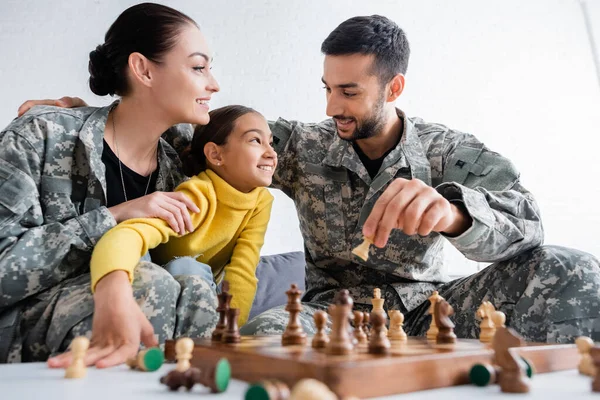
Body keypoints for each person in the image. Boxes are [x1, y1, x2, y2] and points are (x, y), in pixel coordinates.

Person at [19, 15, 600, 344]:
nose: (331, 107)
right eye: (326, 88)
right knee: (266, 340)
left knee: (569, 270)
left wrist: (457, 213)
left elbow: (528, 222)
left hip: (428, 305)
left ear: (393, 89)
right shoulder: (298, 145)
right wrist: (82, 116)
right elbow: (208, 139)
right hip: (327, 308)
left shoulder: (451, 151)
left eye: (348, 92)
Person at [0, 3, 221, 366]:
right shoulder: (41, 134)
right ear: (143, 69)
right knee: (150, 283)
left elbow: (254, 142)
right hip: (22, 327)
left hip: (134, 322)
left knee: (194, 283)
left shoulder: (183, 156)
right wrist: (113, 216)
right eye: (198, 67)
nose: (214, 83)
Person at [90, 105, 276, 328]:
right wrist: (113, 283)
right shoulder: (196, 195)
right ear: (216, 154)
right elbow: (127, 234)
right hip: (159, 285)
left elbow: (243, 269)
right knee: (186, 267)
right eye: (256, 140)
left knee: (194, 272)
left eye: (271, 143)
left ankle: (204, 343)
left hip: (202, 292)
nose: (271, 153)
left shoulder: (261, 201)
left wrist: (230, 331)